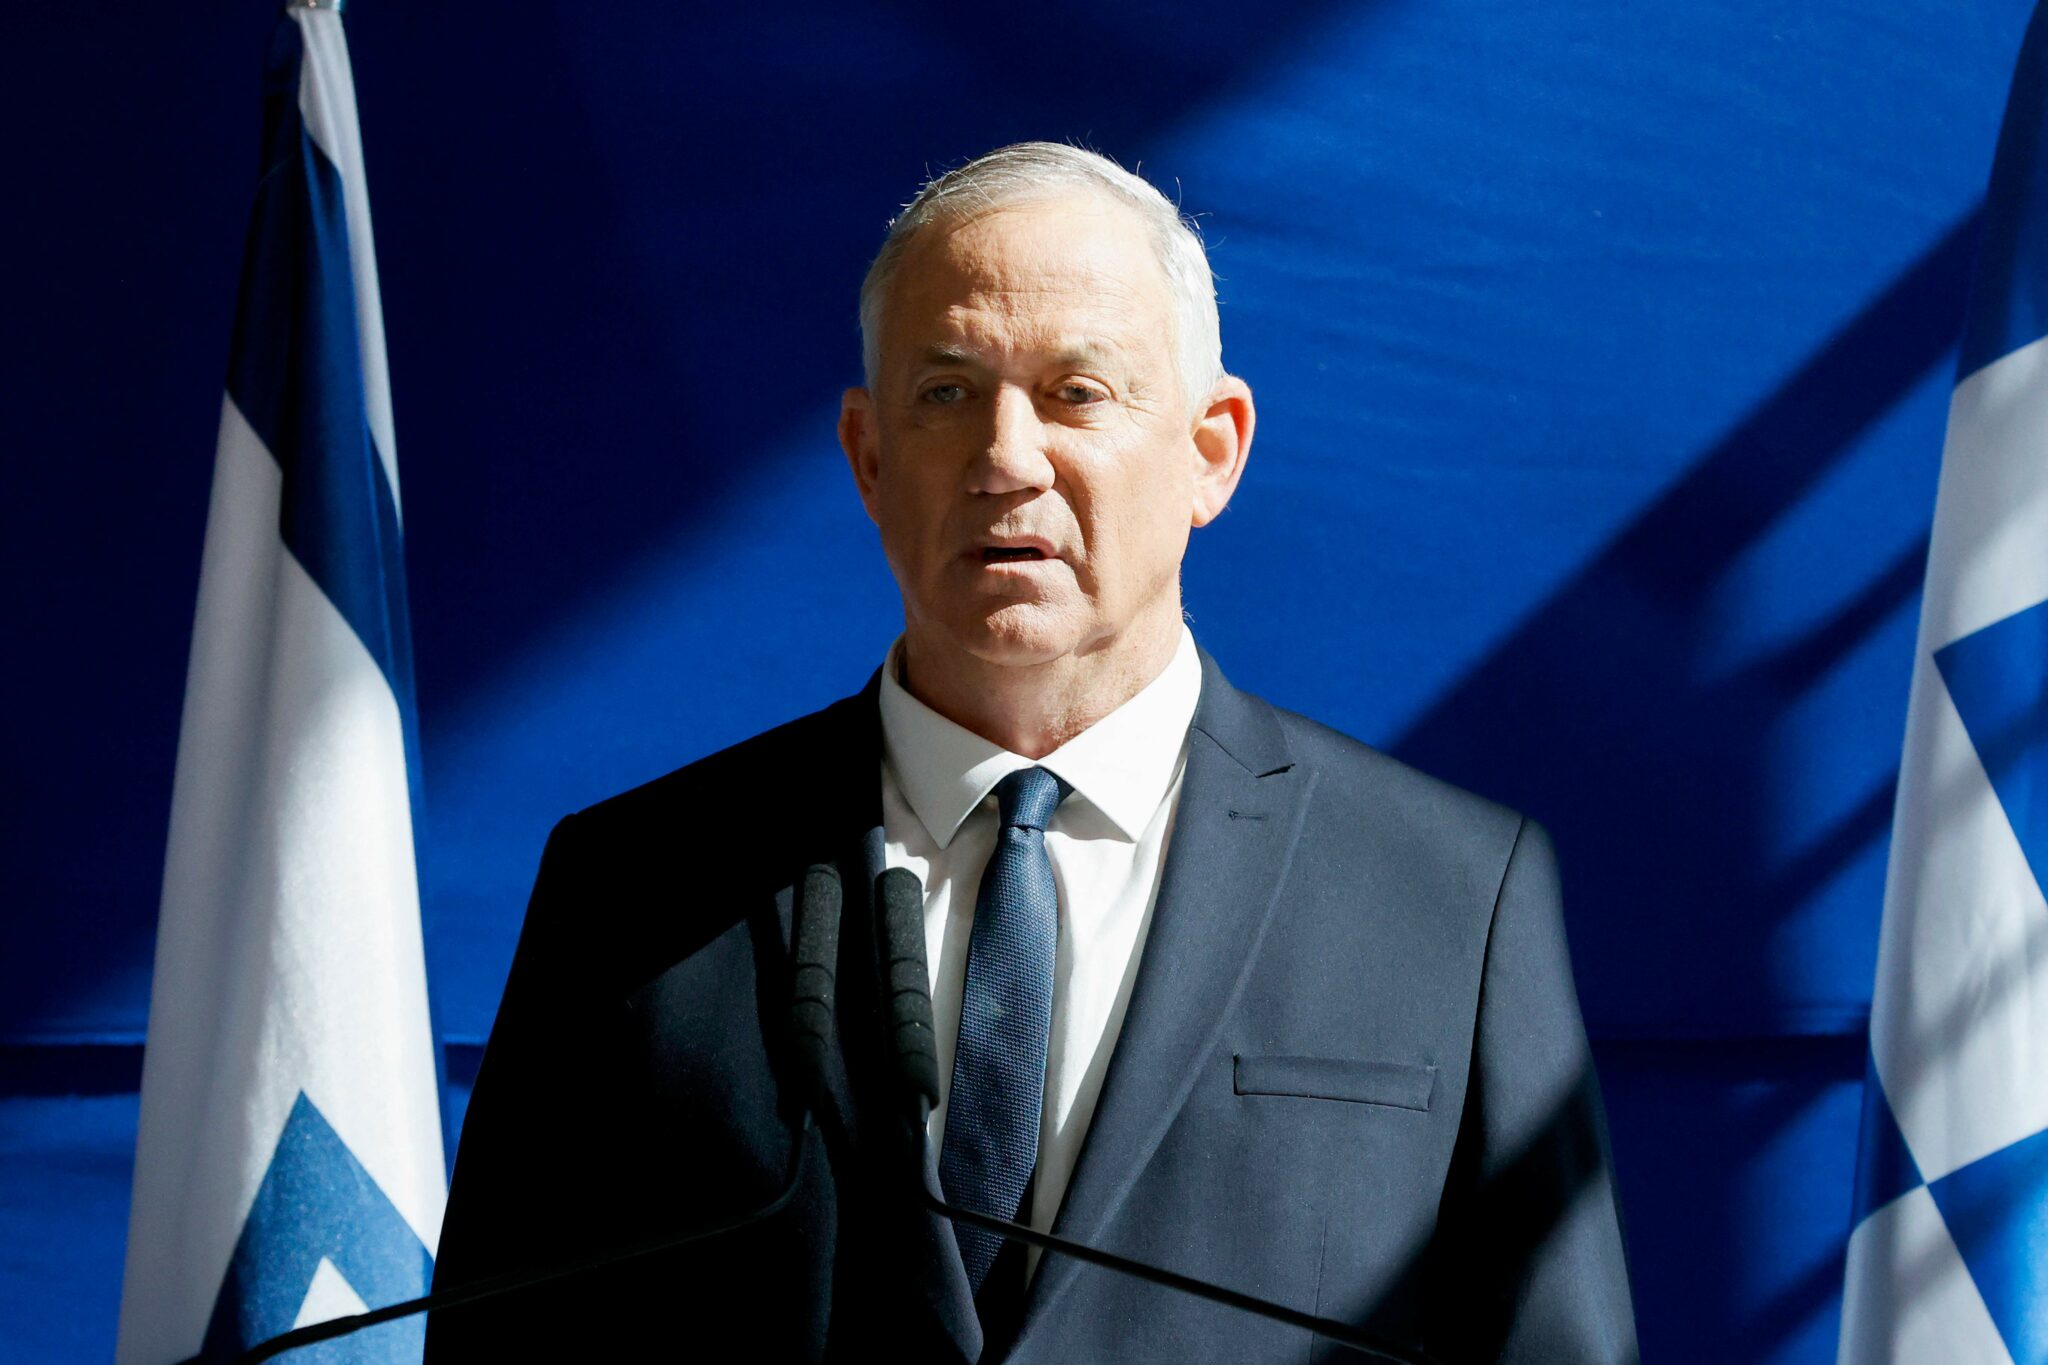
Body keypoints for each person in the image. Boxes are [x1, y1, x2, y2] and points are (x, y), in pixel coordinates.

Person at [427, 141, 1637, 1363]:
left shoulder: (1446, 896)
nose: (1006, 459)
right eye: (945, 393)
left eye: (1076, 391)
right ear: (866, 457)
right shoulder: (633, 889)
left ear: (1210, 449)